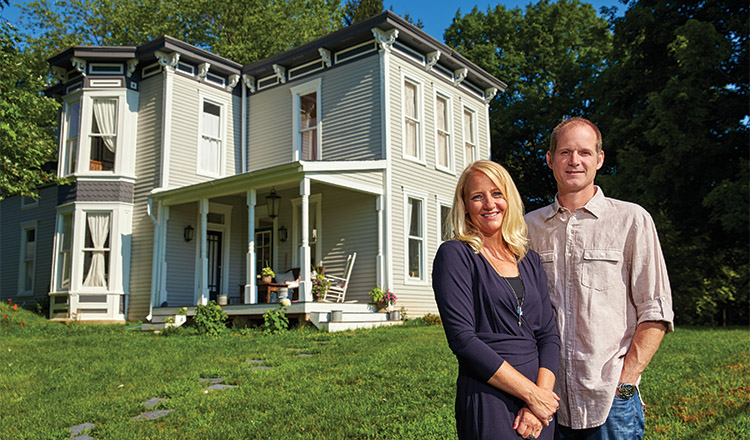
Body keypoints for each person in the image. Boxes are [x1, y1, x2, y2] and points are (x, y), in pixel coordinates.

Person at [525, 117, 674, 440]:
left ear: (600, 158)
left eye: (584, 152)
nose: (574, 161)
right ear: (550, 159)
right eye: (565, 152)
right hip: (546, 399)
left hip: (610, 401)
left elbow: (656, 310)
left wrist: (626, 380)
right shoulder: (528, 228)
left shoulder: (631, 221)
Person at [433, 160, 561, 440]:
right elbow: (463, 341)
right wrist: (532, 395)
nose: (489, 204)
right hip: (489, 397)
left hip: (538, 409)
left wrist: (539, 401)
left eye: (497, 194)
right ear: (465, 205)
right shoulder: (455, 255)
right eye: (477, 196)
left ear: (509, 199)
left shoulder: (530, 260)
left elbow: (549, 335)